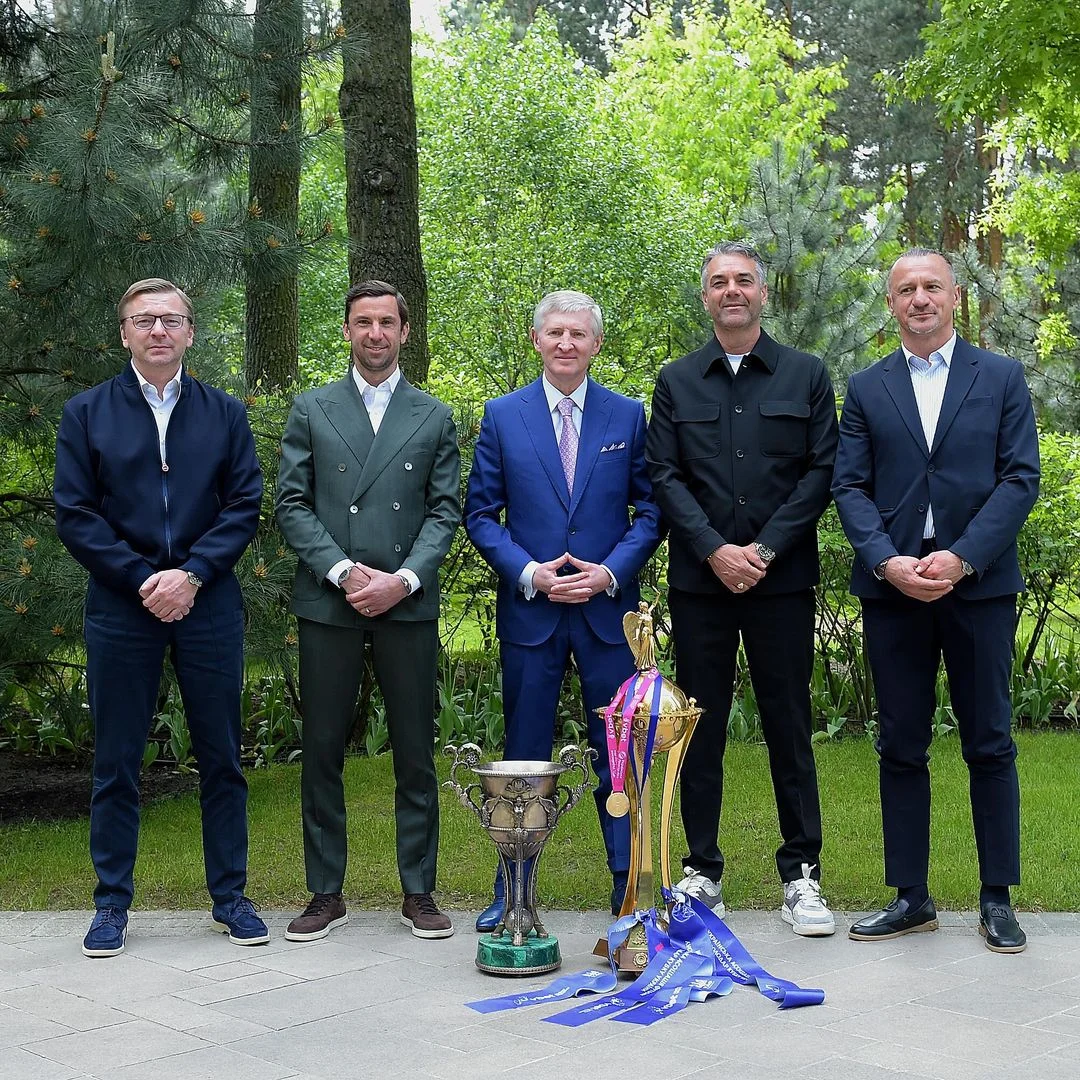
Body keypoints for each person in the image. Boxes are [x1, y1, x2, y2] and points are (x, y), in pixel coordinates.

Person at [833, 249, 1040, 952]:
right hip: (894, 590)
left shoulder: (1000, 377)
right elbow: (849, 486)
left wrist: (962, 557)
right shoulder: (867, 387)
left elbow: (1020, 478)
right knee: (900, 744)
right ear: (891, 303)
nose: (919, 299)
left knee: (990, 741)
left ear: (954, 297)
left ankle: (996, 898)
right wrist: (886, 561)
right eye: (906, 290)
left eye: (931, 287)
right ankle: (910, 897)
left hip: (978, 587)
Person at [54, 278, 265, 958]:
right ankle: (111, 905)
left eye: (171, 320)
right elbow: (76, 514)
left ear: (190, 332)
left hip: (209, 604)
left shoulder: (224, 413)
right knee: (116, 761)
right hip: (123, 606)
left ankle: (230, 898)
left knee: (222, 758)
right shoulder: (87, 413)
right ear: (124, 333)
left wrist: (193, 574)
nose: (158, 331)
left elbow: (244, 504)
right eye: (144, 320)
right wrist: (144, 578)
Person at [645, 241, 838, 936]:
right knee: (700, 728)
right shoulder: (676, 381)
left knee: (789, 724)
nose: (732, 290)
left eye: (744, 280)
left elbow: (821, 472)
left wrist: (762, 550)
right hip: (701, 586)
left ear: (763, 293)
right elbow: (664, 474)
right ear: (705, 297)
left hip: (780, 584)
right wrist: (714, 550)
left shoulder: (806, 375)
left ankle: (802, 874)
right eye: (719, 281)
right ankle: (702, 869)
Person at [464, 290, 662, 929]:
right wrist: (530, 572)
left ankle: (627, 885)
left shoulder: (627, 416)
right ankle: (513, 889)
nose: (566, 343)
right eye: (555, 333)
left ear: (596, 344)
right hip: (533, 613)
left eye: (578, 334)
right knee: (523, 758)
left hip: (608, 615)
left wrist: (609, 573)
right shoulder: (503, 416)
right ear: (536, 340)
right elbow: (480, 515)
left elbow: (650, 511)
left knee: (617, 755)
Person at [276, 281, 460, 941]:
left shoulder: (433, 415)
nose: (375, 333)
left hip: (405, 604)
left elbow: (445, 511)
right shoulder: (312, 408)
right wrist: (345, 571)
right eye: (363, 322)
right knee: (322, 750)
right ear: (347, 331)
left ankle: (419, 890)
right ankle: (325, 892)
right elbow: (291, 503)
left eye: (386, 322)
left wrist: (403, 580)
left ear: (405, 331)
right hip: (330, 601)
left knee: (415, 750)